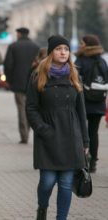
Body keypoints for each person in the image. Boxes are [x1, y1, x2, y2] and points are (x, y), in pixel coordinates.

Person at [26, 35, 89, 220]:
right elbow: (30, 107)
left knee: (66, 183)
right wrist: (42, 129)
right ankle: (42, 208)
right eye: (59, 49)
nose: (63, 52)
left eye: (66, 49)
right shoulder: (38, 76)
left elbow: (81, 111)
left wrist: (85, 140)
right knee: (47, 182)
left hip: (71, 137)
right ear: (51, 52)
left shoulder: (74, 76)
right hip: (48, 137)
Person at [75, 34, 107, 173]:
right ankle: (93, 161)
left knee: (81, 130)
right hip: (99, 101)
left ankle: (83, 159)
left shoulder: (81, 60)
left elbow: (74, 78)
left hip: (83, 101)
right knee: (93, 132)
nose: (80, 45)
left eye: (82, 43)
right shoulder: (102, 61)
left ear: (87, 45)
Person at [4, 27, 39, 144]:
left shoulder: (13, 46)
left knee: (21, 109)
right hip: (33, 82)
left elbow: (8, 65)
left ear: (19, 34)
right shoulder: (35, 47)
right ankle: (29, 130)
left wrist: (9, 80)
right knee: (30, 107)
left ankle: (24, 136)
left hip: (18, 83)